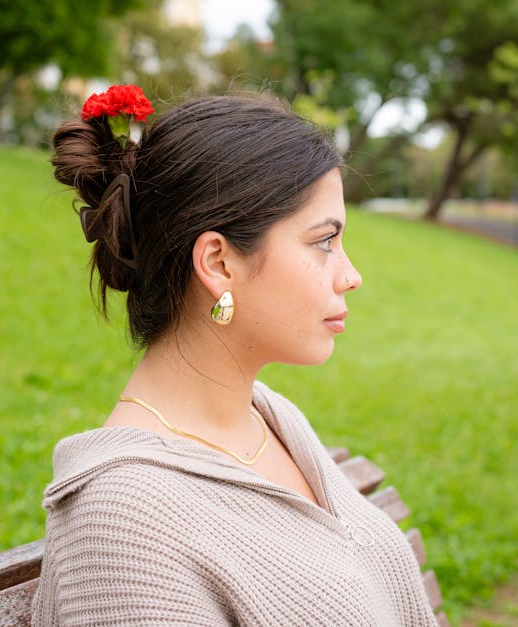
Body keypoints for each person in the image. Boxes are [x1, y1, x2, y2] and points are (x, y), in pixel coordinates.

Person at [31, 85, 438, 626]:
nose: (351, 274)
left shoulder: (269, 418)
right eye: (323, 241)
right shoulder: (123, 523)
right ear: (219, 263)